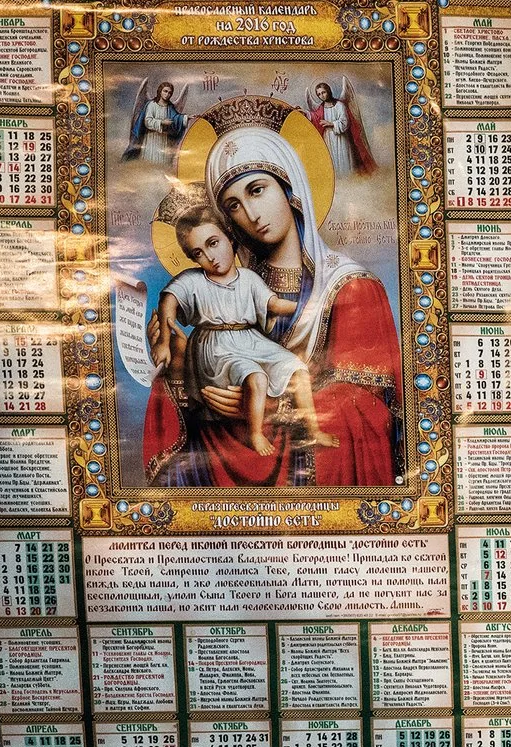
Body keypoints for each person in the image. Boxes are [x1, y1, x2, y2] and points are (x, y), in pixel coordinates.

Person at [139, 110, 401, 489]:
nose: (251, 213)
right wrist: (181, 365)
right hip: (234, 451)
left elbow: (368, 409)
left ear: (289, 189)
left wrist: (275, 408)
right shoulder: (227, 286)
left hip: (308, 466)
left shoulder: (352, 288)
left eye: (257, 190)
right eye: (232, 205)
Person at [154, 193, 334, 457]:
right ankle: (255, 434)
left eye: (213, 243)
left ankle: (314, 430)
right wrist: (162, 341)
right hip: (216, 349)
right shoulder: (193, 280)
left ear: (230, 238)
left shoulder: (248, 278)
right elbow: (169, 299)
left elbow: (273, 304)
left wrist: (309, 305)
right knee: (256, 376)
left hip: (250, 340)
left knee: (297, 369)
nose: (210, 257)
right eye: (198, 253)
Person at [308, 82, 377, 179]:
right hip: (328, 139)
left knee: (344, 160)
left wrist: (331, 124)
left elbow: (345, 122)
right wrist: (304, 113)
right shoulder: (321, 108)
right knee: (332, 161)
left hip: (342, 139)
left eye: (323, 92)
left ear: (328, 91)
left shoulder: (340, 105)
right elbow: (315, 116)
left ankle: (348, 182)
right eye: (319, 94)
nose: (321, 96)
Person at [123, 79, 184, 165]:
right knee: (151, 161)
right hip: (151, 139)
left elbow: (177, 118)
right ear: (160, 91)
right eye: (165, 91)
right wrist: (162, 122)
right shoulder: (151, 105)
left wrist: (186, 117)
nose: (167, 94)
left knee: (162, 162)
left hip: (163, 140)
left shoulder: (170, 107)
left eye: (170, 93)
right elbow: (147, 122)